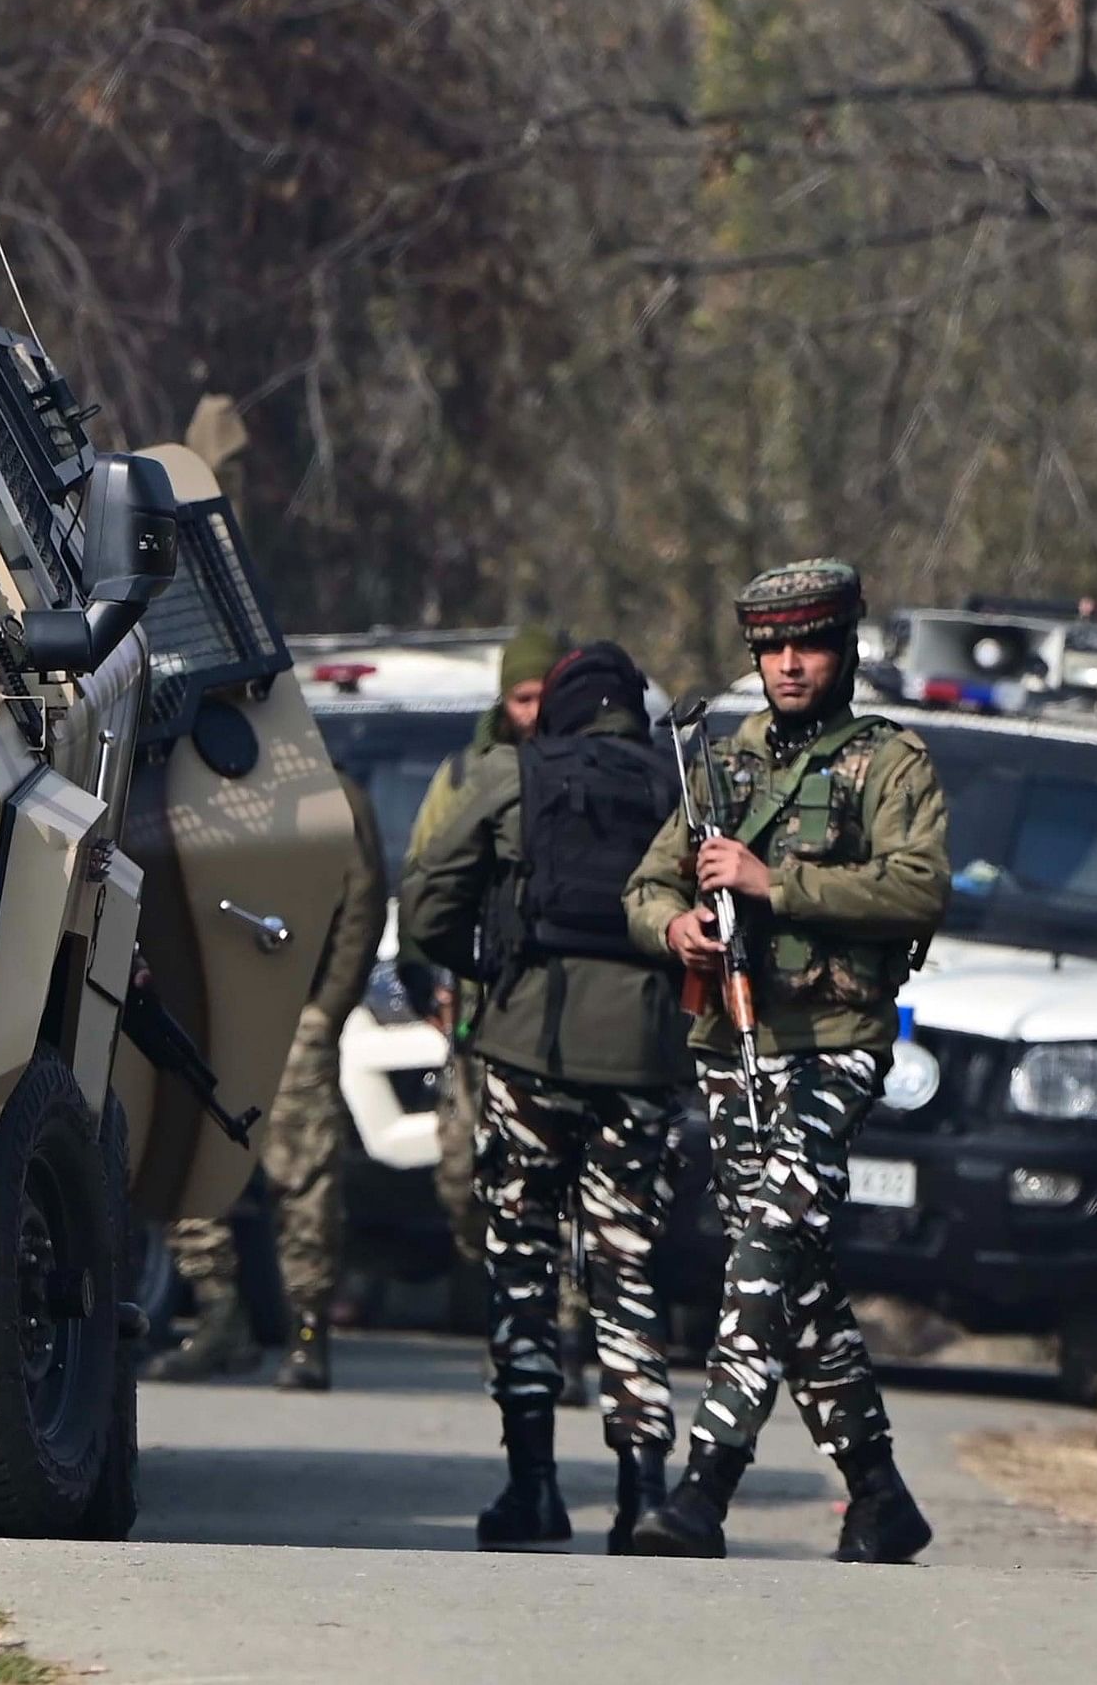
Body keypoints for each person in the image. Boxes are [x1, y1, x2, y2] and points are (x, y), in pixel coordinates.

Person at [620, 561, 952, 1564]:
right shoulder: (721, 765)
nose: (790, 664)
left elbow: (918, 887)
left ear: (845, 646)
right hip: (733, 1041)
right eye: (772, 648)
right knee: (792, 1274)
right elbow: (644, 882)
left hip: (834, 1044)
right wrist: (674, 925)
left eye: (807, 644)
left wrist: (779, 881)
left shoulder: (891, 762)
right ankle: (880, 1493)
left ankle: (705, 1484)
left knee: (764, 1251)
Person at [394, 638, 695, 1551]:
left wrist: (485, 977)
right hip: (643, 1059)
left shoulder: (512, 775)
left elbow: (426, 904)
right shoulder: (674, 785)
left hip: (529, 1047)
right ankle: (644, 1492)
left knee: (521, 1261)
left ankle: (533, 1490)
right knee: (625, 1268)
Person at [144, 805, 392, 1390]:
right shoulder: (196, 773)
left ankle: (309, 1329)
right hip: (211, 1007)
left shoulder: (330, 793)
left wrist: (328, 1010)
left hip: (294, 1009)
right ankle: (218, 1314)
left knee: (304, 1176)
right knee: (195, 1162)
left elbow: (361, 903)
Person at [416, 626, 568, 1317]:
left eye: (546, 695)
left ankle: (554, 1313)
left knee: (557, 1168)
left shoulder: (588, 769)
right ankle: (502, 1282)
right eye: (523, 697)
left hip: (560, 1006)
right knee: (460, 1172)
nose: (534, 711)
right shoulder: (463, 776)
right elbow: (426, 875)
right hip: (478, 1003)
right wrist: (427, 970)